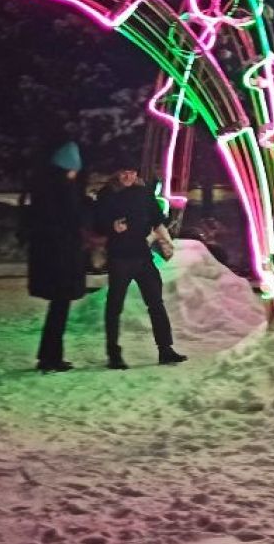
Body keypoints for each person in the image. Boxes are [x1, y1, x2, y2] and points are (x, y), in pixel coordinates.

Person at [92, 161, 184, 370]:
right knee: (115, 306)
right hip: (120, 257)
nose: (128, 176)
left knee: (156, 303)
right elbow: (97, 223)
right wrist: (111, 226)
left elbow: (157, 218)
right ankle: (113, 354)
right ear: (117, 173)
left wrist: (163, 239)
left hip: (142, 256)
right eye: (124, 172)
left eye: (132, 172)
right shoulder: (107, 194)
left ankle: (165, 349)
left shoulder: (143, 192)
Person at [28, 142, 88, 373]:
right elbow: (70, 222)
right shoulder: (64, 190)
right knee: (59, 309)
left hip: (54, 258)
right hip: (62, 260)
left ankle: (49, 355)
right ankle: (51, 357)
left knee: (58, 308)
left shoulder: (49, 188)